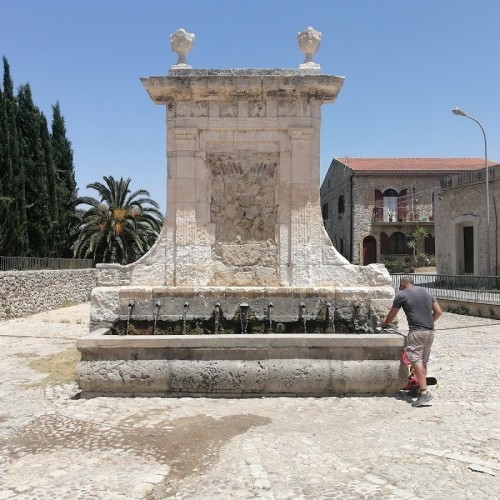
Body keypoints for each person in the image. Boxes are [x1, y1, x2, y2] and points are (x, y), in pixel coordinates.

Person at [382, 276, 442, 407]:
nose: (400, 288)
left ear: (403, 284)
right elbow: (438, 311)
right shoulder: (427, 292)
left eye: (400, 286)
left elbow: (392, 315)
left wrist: (385, 322)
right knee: (422, 361)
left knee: (414, 359)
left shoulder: (402, 294)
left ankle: (425, 392)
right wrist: (429, 322)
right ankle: (418, 388)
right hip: (430, 332)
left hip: (417, 332)